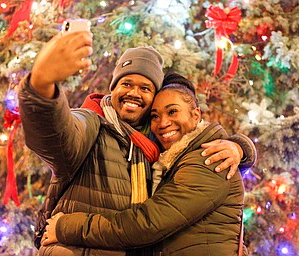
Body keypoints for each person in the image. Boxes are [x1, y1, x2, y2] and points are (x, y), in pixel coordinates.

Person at [18, 30, 255, 255]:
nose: (134, 93)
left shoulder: (159, 149)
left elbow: (148, 222)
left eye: (145, 88)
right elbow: (57, 134)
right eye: (126, 84)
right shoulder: (93, 124)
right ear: (114, 88)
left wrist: (240, 147)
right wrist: (41, 87)